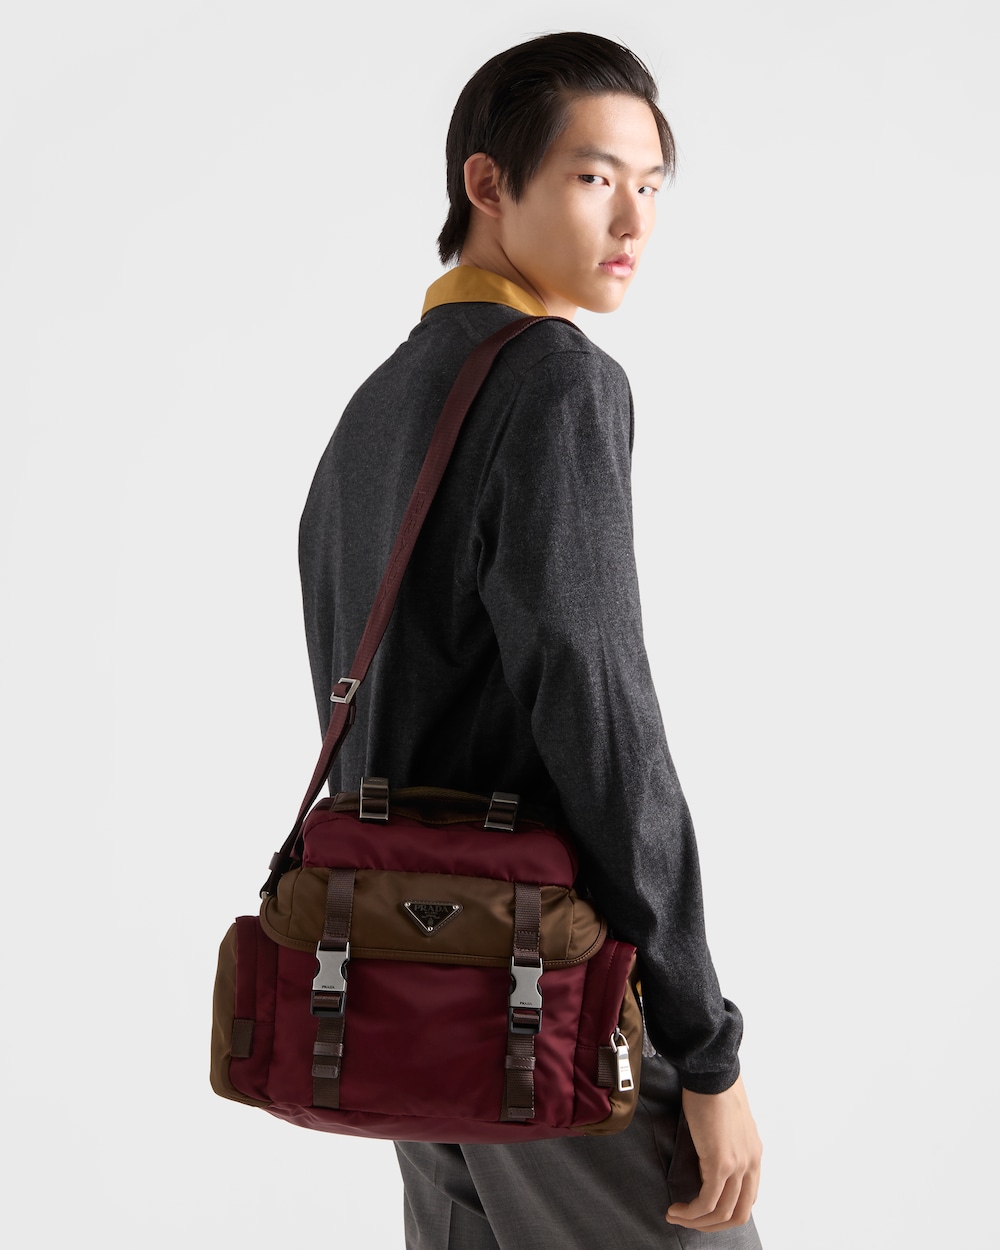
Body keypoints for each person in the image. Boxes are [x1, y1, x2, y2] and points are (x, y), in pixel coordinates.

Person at [298, 30, 763, 1249]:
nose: (633, 219)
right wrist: (704, 1044)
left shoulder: (378, 404)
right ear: (487, 183)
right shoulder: (553, 378)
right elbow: (599, 712)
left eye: (651, 184)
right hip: (545, 997)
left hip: (397, 985)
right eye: (594, 176)